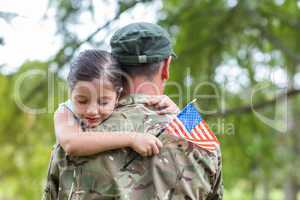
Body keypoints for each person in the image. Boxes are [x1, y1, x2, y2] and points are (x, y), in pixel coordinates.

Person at [43, 22, 223, 200]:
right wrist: (179, 116)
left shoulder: (77, 131)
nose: (92, 110)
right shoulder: (202, 140)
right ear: (166, 68)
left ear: (115, 70)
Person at [54, 49, 178, 157]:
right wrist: (132, 139)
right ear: (70, 93)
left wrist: (176, 112)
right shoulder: (65, 111)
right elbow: (71, 144)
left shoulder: (126, 104)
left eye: (103, 103)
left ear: (118, 95)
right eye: (82, 101)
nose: (92, 111)